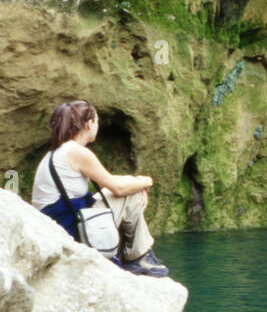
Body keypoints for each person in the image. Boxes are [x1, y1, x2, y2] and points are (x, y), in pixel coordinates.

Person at [31, 100, 169, 279]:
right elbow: (118, 189)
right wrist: (146, 181)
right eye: (96, 121)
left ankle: (135, 255)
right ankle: (138, 258)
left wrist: (135, 182)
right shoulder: (78, 153)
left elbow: (113, 182)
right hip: (70, 229)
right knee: (129, 192)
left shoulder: (56, 153)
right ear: (89, 124)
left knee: (128, 184)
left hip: (61, 222)